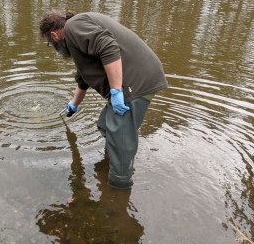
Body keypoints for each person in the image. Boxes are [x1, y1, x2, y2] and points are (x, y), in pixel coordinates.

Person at [39, 10, 168, 189]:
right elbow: (83, 76)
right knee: (106, 125)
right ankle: (110, 164)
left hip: (135, 82)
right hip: (139, 78)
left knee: (120, 139)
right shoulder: (78, 34)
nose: (54, 47)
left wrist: (116, 91)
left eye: (50, 43)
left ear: (54, 35)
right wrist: (73, 105)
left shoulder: (74, 27)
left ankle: (118, 192)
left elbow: (108, 46)